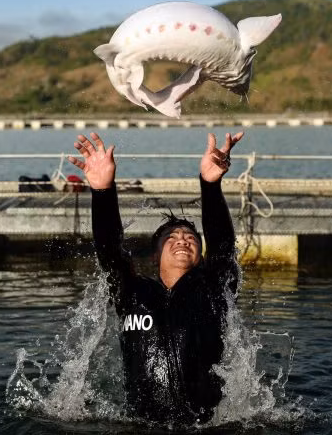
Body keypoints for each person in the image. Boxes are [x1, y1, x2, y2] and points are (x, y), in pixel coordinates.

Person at [68, 130, 244, 425]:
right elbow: (110, 252)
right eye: (171, 238)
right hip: (140, 427)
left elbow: (223, 249)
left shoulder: (213, 291)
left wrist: (210, 185)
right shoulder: (131, 293)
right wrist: (102, 191)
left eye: (191, 237)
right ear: (155, 256)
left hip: (203, 429)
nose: (182, 240)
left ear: (201, 256)